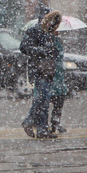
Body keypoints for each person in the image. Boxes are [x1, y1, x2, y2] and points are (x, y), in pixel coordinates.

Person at [20, 10, 62, 139]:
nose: (51, 23)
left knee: (45, 99)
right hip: (39, 69)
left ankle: (41, 128)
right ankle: (31, 122)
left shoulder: (49, 33)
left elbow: (52, 52)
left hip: (48, 70)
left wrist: (53, 51)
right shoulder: (34, 31)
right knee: (42, 98)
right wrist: (43, 51)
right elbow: (24, 47)